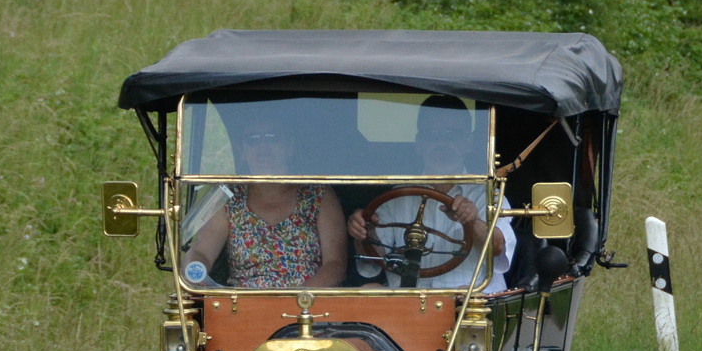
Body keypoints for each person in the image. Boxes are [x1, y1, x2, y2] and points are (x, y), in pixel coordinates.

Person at [348, 101, 516, 292]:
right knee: (369, 290)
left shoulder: (488, 194)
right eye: (431, 135)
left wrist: (472, 221)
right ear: (419, 143)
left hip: (469, 302)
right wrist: (363, 231)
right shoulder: (397, 195)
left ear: (468, 143)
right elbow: (373, 260)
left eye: (452, 135)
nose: (442, 144)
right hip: (405, 303)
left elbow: (498, 248)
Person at [180, 116, 347, 289]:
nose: (263, 147)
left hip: (308, 308)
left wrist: (296, 300)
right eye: (253, 140)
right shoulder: (228, 196)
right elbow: (202, 251)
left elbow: (335, 266)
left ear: (290, 146)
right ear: (241, 151)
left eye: (273, 137)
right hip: (243, 306)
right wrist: (195, 270)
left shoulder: (318, 193)